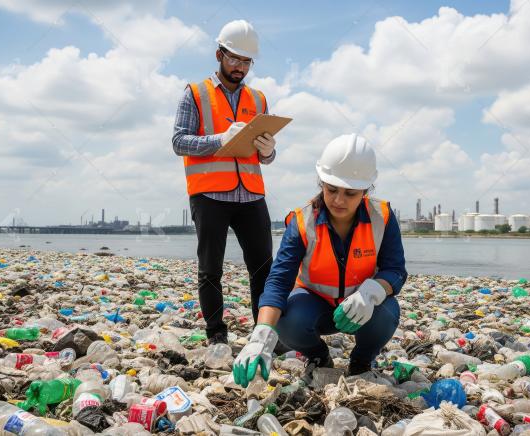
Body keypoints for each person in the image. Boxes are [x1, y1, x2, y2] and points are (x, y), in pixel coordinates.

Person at [233, 134, 408, 387]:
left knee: (388, 312)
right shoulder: (303, 222)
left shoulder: (382, 216)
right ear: (321, 183)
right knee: (287, 321)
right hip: (313, 307)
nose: (338, 200)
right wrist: (260, 336)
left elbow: (396, 270)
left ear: (365, 190)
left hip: (362, 309)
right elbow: (278, 282)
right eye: (331, 190)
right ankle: (318, 356)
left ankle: (361, 361)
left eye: (350, 193)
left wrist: (372, 291)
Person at [172, 20, 277, 345]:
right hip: (209, 195)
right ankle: (217, 334)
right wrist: (218, 139)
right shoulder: (195, 93)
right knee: (210, 269)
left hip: (250, 195)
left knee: (264, 268)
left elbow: (265, 157)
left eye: (246, 62)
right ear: (219, 54)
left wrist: (270, 151)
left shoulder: (258, 100)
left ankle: (265, 332)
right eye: (234, 59)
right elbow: (179, 142)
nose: (240, 67)